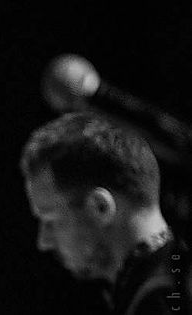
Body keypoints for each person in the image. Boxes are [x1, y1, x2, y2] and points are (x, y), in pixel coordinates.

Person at [20, 111, 191, 315]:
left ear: (100, 207)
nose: (44, 242)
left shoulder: (160, 300)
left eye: (50, 220)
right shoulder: (167, 281)